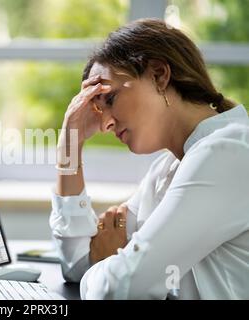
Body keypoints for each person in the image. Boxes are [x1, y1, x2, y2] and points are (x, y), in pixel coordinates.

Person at [50, 18, 249, 300]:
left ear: (158, 75)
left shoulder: (226, 154)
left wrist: (109, 263)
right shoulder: (169, 168)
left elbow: (120, 288)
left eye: (109, 99)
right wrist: (70, 143)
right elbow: (78, 264)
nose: (105, 123)